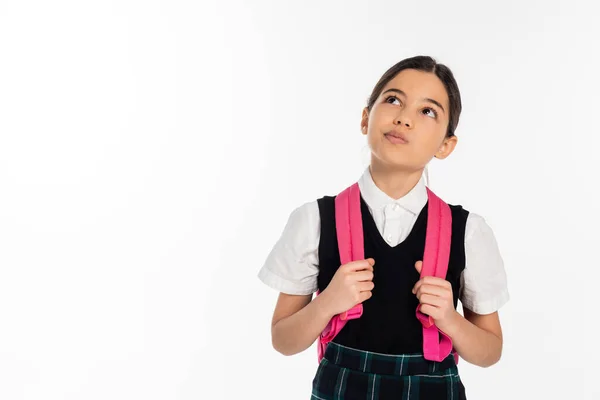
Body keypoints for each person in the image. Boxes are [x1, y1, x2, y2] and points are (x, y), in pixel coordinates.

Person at [257, 55, 509, 399]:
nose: (404, 118)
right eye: (393, 100)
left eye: (428, 111)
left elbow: (490, 351)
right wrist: (327, 301)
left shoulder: (469, 232)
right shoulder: (314, 220)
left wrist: (450, 319)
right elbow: (283, 341)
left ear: (446, 146)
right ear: (365, 118)